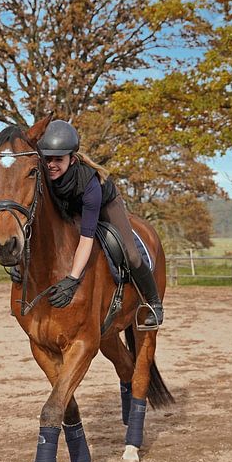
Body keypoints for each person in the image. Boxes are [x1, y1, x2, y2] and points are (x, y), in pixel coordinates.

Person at [37, 120, 163, 327]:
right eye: (47, 159)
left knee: (131, 253)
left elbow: (87, 238)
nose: (51, 165)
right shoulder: (41, 175)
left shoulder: (90, 184)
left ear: (72, 159)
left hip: (105, 205)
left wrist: (73, 279)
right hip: (71, 207)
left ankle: (154, 303)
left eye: (58, 159)